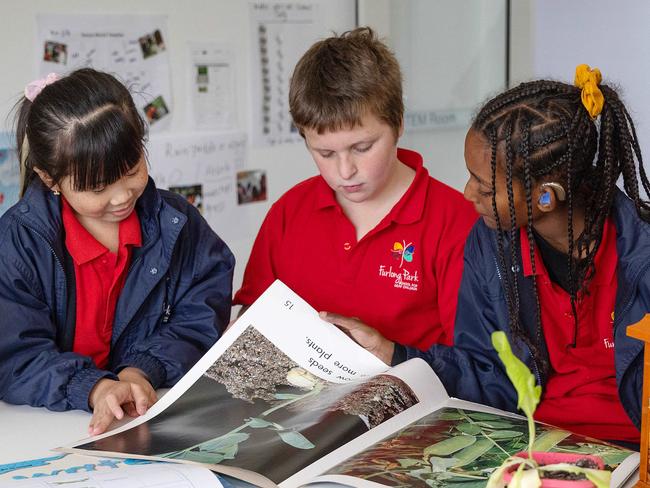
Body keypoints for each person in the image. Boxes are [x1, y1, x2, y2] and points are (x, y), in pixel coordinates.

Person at [332, 64, 650, 445]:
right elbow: (488, 373)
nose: (467, 194)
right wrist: (394, 354)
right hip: (525, 441)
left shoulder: (640, 253)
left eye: (484, 187)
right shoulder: (489, 244)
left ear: (545, 196)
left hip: (632, 453)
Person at [0, 68, 235, 436]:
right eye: (98, 187)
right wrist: (95, 387)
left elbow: (202, 311)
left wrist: (140, 371)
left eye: (132, 169)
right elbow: (16, 356)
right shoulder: (18, 243)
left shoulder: (176, 222)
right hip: (51, 425)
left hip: (150, 410)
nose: (123, 195)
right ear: (50, 179)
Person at [234, 27, 477, 351]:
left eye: (362, 147)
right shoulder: (290, 211)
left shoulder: (456, 222)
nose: (345, 171)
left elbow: (475, 365)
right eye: (325, 153)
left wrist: (390, 353)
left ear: (399, 123)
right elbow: (255, 313)